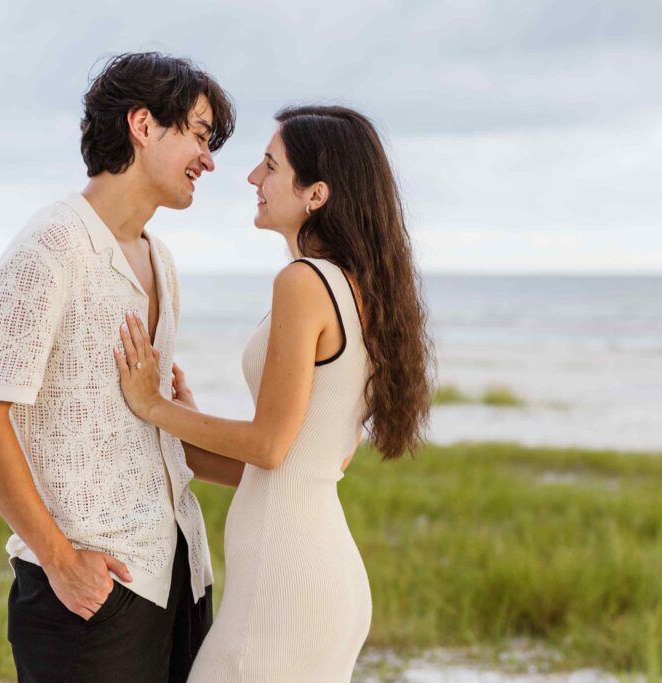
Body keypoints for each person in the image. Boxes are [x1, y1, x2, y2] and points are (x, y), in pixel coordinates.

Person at [114, 105, 433, 682]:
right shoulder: (362, 290)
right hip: (312, 578)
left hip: (284, 588)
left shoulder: (305, 282)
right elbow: (298, 460)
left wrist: (153, 406)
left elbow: (268, 447)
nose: (252, 179)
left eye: (269, 165)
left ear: (317, 193)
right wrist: (185, 425)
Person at [0, 52, 236, 682]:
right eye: (197, 134)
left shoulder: (160, 259)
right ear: (142, 124)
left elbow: (147, 432)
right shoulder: (50, 247)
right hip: (87, 591)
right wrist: (58, 560)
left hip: (177, 577)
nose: (209, 159)